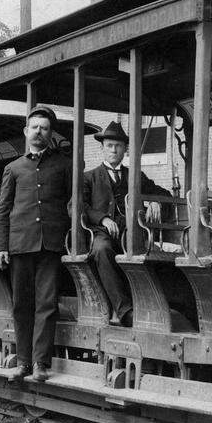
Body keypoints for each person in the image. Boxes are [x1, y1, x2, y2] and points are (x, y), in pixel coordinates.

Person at [0, 105, 74, 383]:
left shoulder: (63, 164)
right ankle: (24, 362)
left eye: (45, 128)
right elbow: (2, 210)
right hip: (20, 245)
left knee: (47, 304)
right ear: (26, 132)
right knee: (22, 305)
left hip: (51, 245)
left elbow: (72, 203)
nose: (39, 132)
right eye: (35, 127)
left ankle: (41, 363)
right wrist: (0, 246)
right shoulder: (13, 168)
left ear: (50, 134)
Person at [83, 121, 171, 326]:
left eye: (118, 146)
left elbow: (163, 193)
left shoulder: (135, 175)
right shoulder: (89, 178)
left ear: (125, 149)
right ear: (102, 148)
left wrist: (156, 202)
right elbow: (77, 206)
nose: (114, 150)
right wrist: (102, 218)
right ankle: (125, 312)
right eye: (109, 146)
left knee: (151, 251)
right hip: (100, 234)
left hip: (131, 234)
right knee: (103, 250)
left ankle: (154, 308)